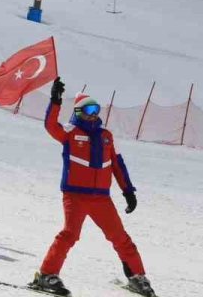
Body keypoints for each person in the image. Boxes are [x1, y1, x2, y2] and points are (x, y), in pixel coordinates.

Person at [29, 79, 154, 297]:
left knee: (120, 237)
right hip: (75, 195)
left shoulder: (106, 136)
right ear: (78, 111)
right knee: (69, 235)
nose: (93, 114)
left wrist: (128, 191)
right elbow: (50, 126)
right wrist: (55, 101)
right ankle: (47, 275)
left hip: (101, 198)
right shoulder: (69, 131)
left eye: (96, 109)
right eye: (88, 110)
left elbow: (117, 164)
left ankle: (137, 277)